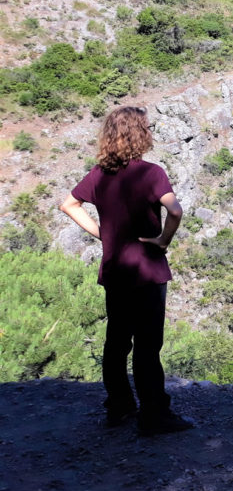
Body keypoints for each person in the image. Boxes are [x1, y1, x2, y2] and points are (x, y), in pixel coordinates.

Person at [60, 106, 192, 436]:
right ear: (140, 134)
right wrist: (163, 239)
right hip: (147, 270)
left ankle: (119, 408)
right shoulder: (152, 173)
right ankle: (154, 416)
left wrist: (101, 233)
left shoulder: (99, 174)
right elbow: (175, 211)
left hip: (116, 270)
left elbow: (68, 204)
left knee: (117, 342)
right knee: (148, 345)